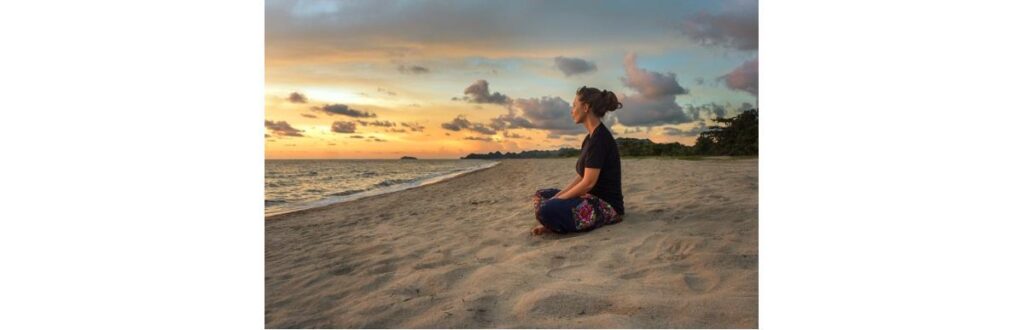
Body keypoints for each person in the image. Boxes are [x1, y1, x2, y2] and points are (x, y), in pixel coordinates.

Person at [532, 86, 625, 235]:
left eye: (574, 105)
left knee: (546, 209)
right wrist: (558, 197)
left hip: (606, 206)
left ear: (586, 107)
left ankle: (556, 223)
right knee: (541, 195)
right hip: (588, 198)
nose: (572, 110)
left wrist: (558, 201)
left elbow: (588, 183)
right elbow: (582, 177)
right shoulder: (589, 139)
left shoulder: (600, 139)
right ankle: (557, 221)